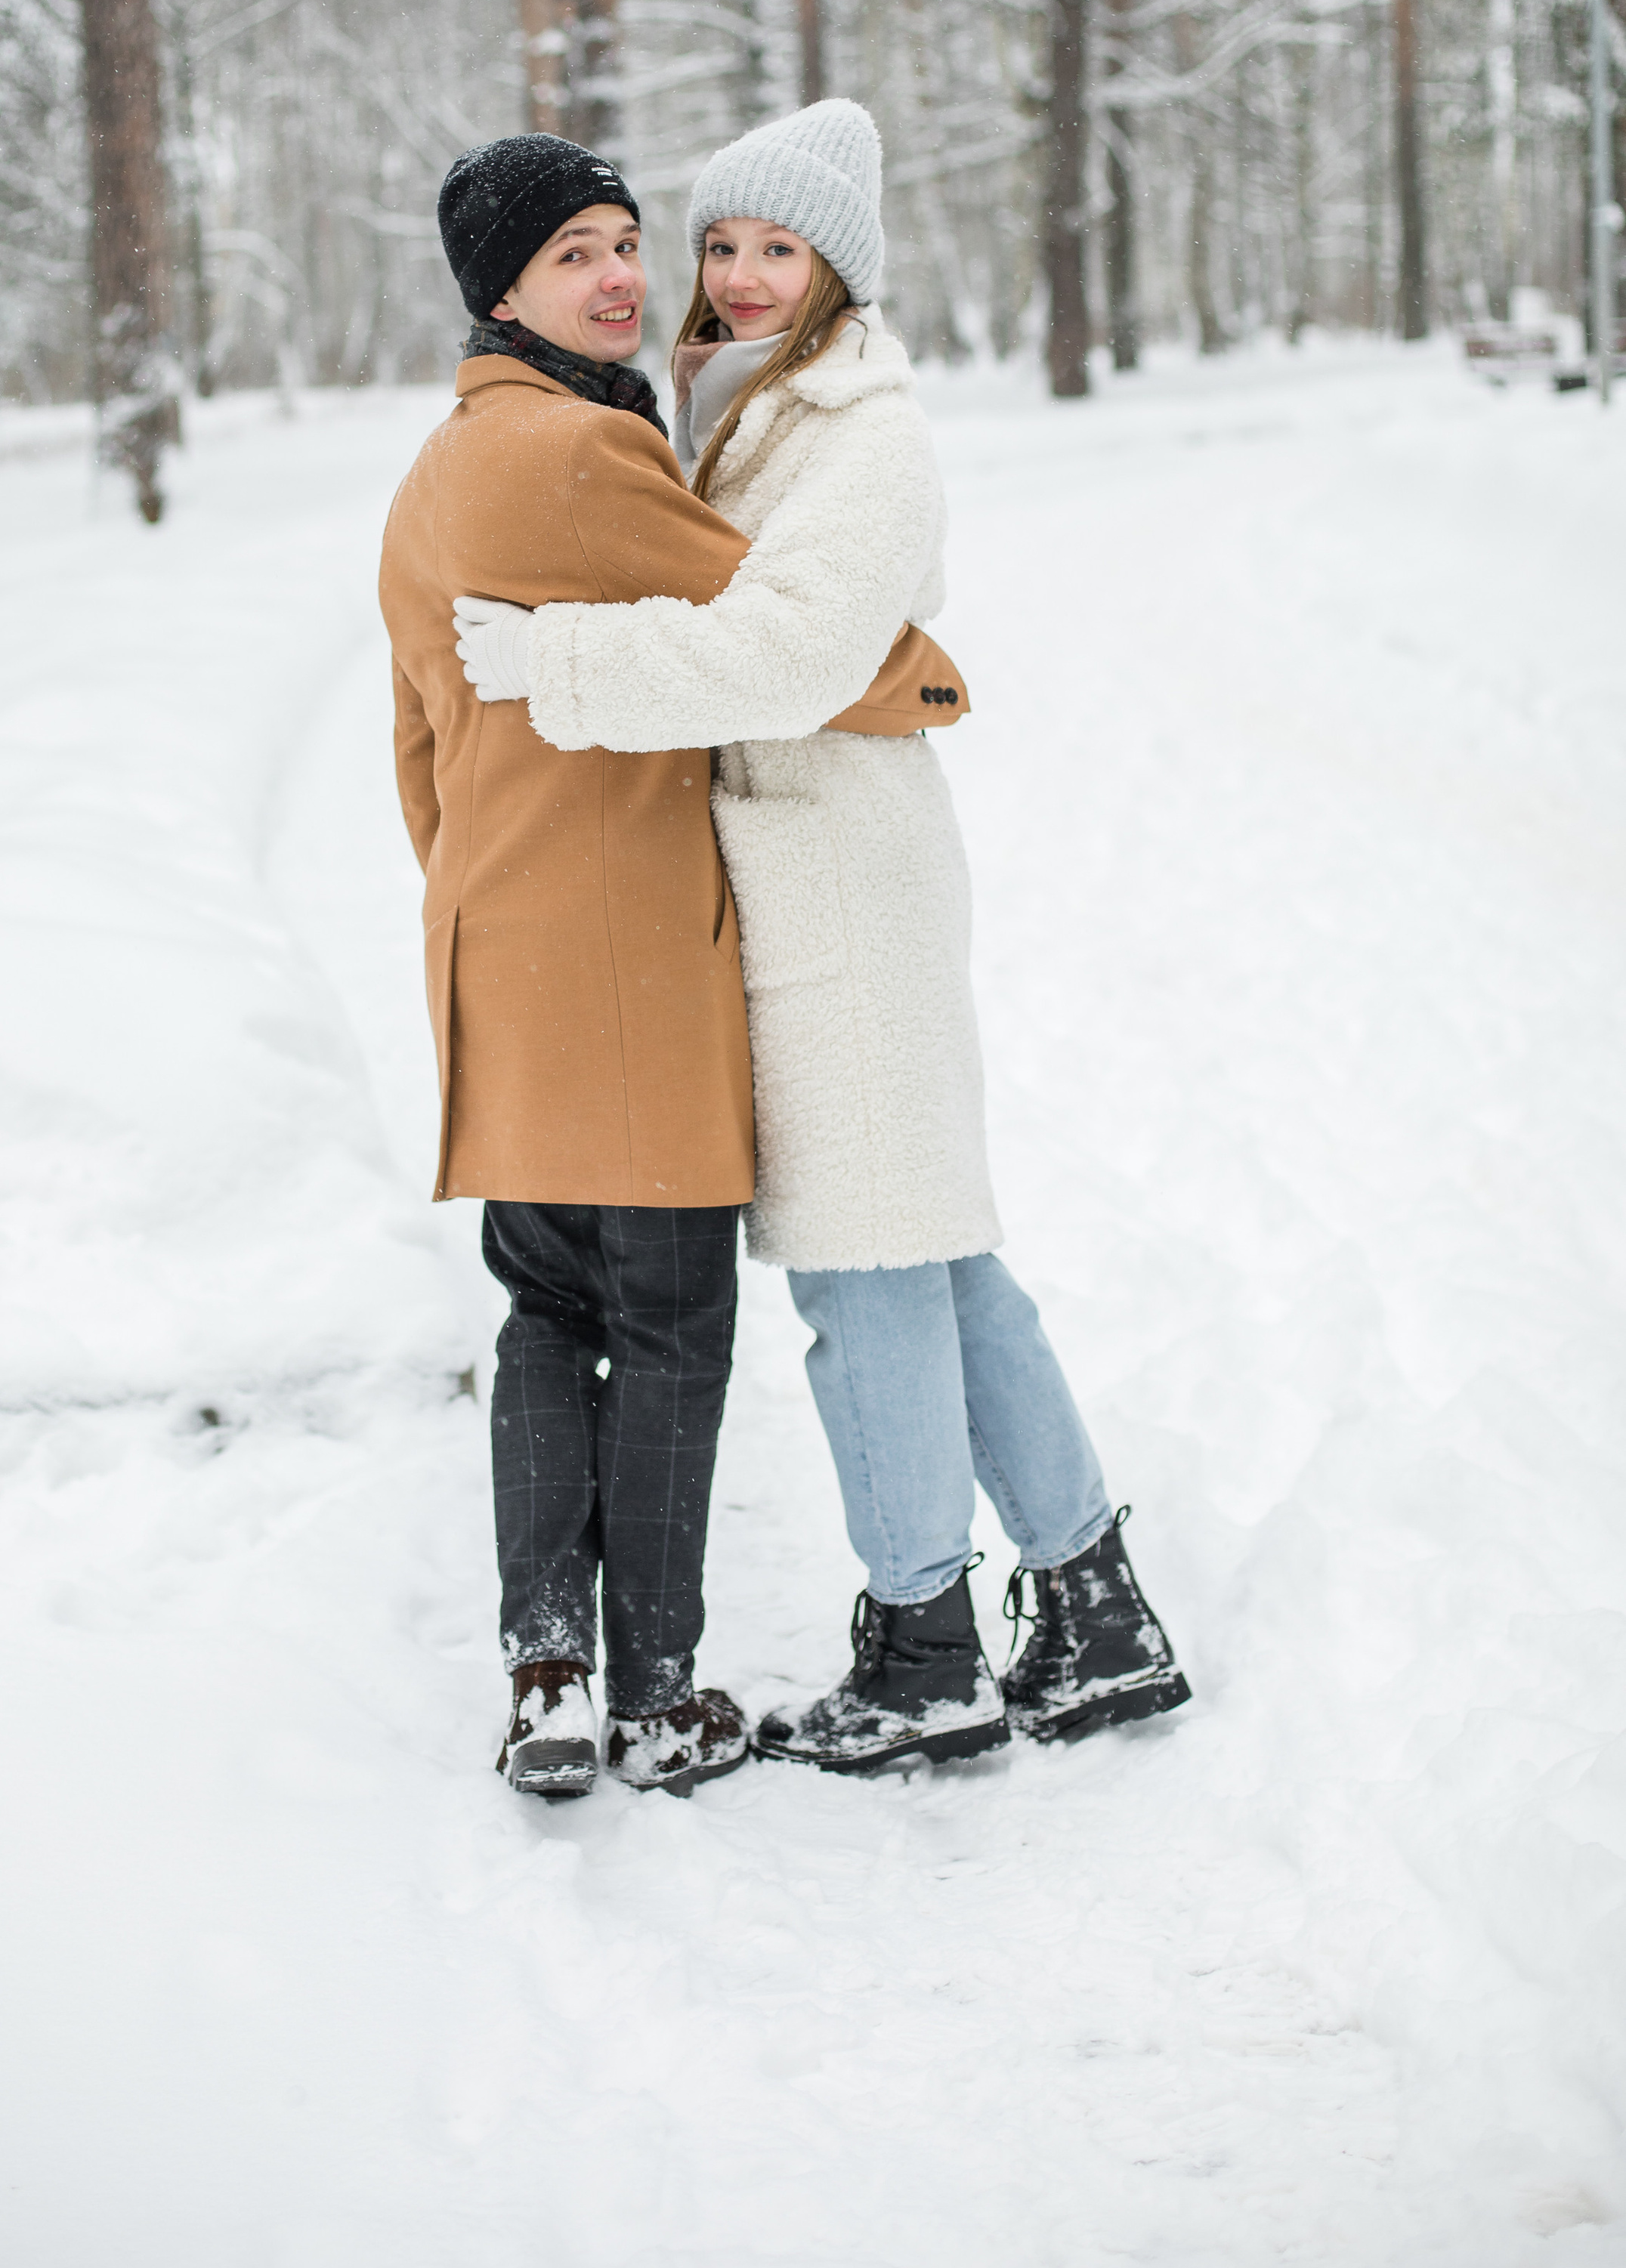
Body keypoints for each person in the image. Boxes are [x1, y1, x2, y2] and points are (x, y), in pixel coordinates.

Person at [453, 100, 1190, 1774]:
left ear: (836, 264)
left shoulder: (865, 434)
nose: (734, 273)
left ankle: (925, 1647)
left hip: (840, 892)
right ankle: (1089, 1603)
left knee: (861, 1281)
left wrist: (556, 669)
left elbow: (785, 655)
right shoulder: (739, 409)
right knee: (935, 1255)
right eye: (716, 242)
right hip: (807, 878)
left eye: (775, 247)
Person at [377, 130, 969, 1800]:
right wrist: (930, 684)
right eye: (575, 253)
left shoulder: (432, 471)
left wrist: (481, 900)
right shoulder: (583, 456)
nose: (626, 277)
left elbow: (414, 749)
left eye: (629, 241)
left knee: (544, 1315)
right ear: (501, 287)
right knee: (667, 1324)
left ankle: (544, 1669)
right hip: (630, 952)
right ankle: (651, 1694)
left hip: (498, 943)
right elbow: (808, 644)